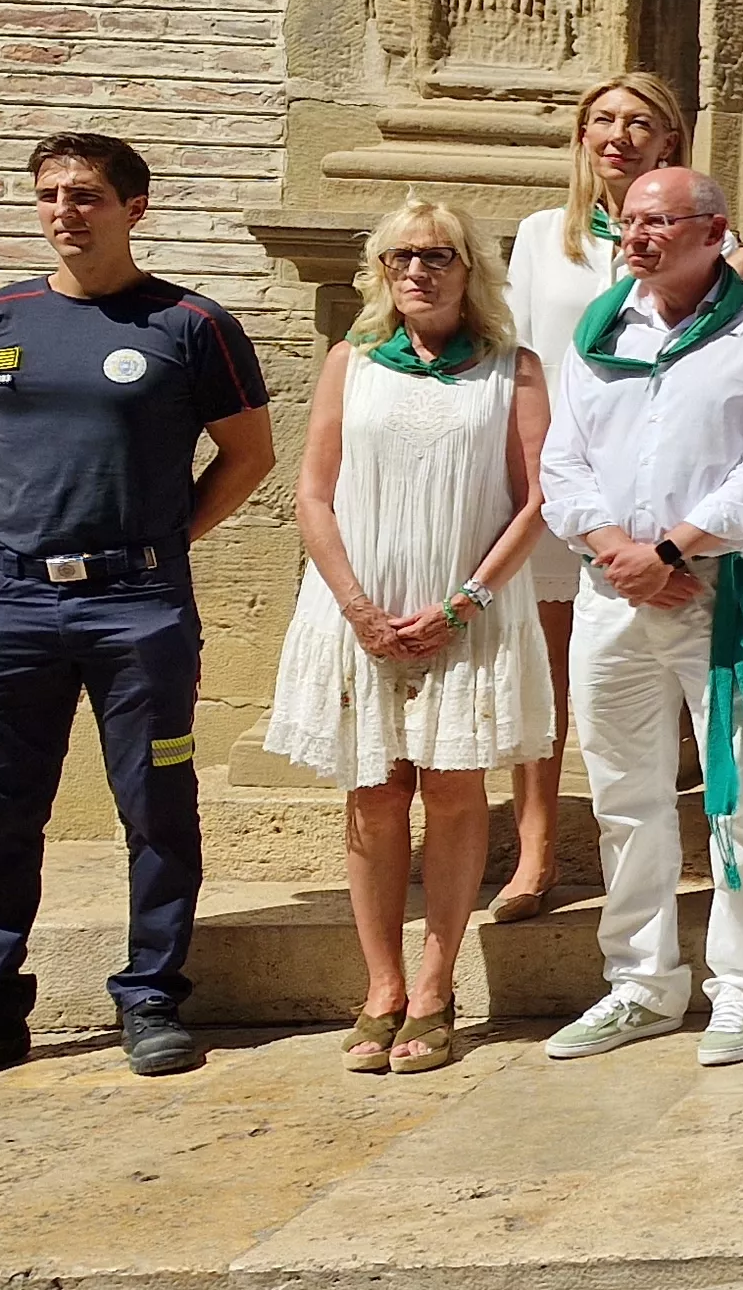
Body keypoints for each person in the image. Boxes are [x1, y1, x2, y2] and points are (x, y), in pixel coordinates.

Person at [0, 133, 276, 1092]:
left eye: (89, 196)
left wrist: (164, 538)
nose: (67, 211)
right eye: (51, 195)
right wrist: (33, 525)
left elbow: (248, 455)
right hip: (14, 600)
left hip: (139, 601)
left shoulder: (190, 324)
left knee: (156, 804)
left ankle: (150, 995)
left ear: (134, 209)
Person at [537, 165, 743, 1067]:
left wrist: (672, 551)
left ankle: (742, 988)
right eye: (628, 222)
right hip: (612, 592)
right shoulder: (599, 330)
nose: (637, 237)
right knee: (624, 794)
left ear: (712, 229)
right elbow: (564, 463)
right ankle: (641, 985)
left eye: (659, 222)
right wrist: (620, 551)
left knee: (741, 793)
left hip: (716, 590)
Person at [271, 199, 553, 1076]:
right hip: (358, 612)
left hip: (465, 614)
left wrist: (464, 602)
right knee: (374, 791)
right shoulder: (350, 363)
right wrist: (357, 605)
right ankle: (381, 986)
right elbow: (313, 494)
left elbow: (538, 500)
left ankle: (435, 987)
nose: (418, 272)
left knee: (455, 787)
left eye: (436, 256)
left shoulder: (515, 369)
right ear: (379, 272)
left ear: (470, 270)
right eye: (400, 259)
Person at [497, 69, 689, 921]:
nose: (619, 135)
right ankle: (536, 850)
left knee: (662, 659)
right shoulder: (546, 236)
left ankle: (674, 842)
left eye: (639, 123)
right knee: (544, 666)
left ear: (668, 141)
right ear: (582, 138)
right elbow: (516, 351)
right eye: (603, 121)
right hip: (556, 481)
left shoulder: (687, 238)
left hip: (653, 485)